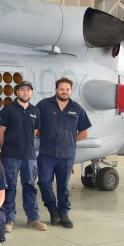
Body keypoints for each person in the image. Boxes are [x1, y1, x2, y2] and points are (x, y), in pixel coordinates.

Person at [36, 77, 91, 228]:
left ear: (70, 91)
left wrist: (70, 141)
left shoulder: (77, 108)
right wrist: (45, 135)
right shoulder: (44, 105)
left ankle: (64, 214)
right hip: (46, 154)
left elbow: (84, 133)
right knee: (44, 183)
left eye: (67, 89)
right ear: (56, 90)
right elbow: (35, 127)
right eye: (61, 89)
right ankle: (53, 211)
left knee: (63, 186)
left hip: (66, 155)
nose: (64, 92)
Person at [0, 80, 46, 232]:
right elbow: (1, 132)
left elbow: (35, 131)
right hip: (10, 156)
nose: (25, 93)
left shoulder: (35, 111)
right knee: (10, 187)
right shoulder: (8, 109)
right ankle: (8, 219)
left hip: (29, 157)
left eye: (28, 90)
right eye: (22, 90)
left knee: (30, 187)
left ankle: (33, 218)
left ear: (31, 93)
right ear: (17, 92)